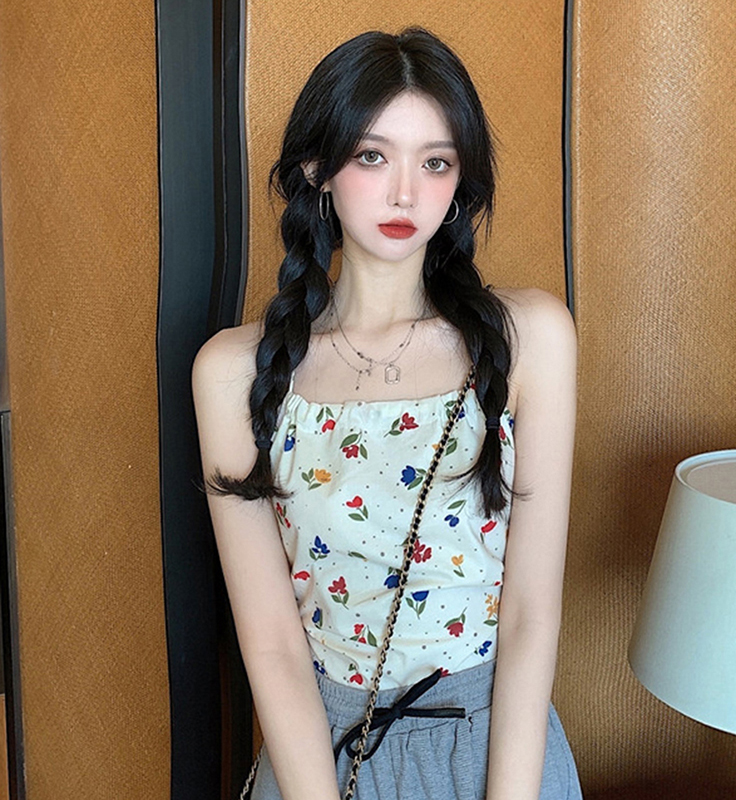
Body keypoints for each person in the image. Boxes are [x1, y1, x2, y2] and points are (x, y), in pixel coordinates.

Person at [192, 27, 581, 800]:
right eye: (373, 156)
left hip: (493, 745)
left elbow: (532, 614)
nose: (406, 192)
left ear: (459, 182)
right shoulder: (234, 374)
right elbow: (272, 647)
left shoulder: (529, 338)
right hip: (321, 753)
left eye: (435, 162)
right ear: (317, 168)